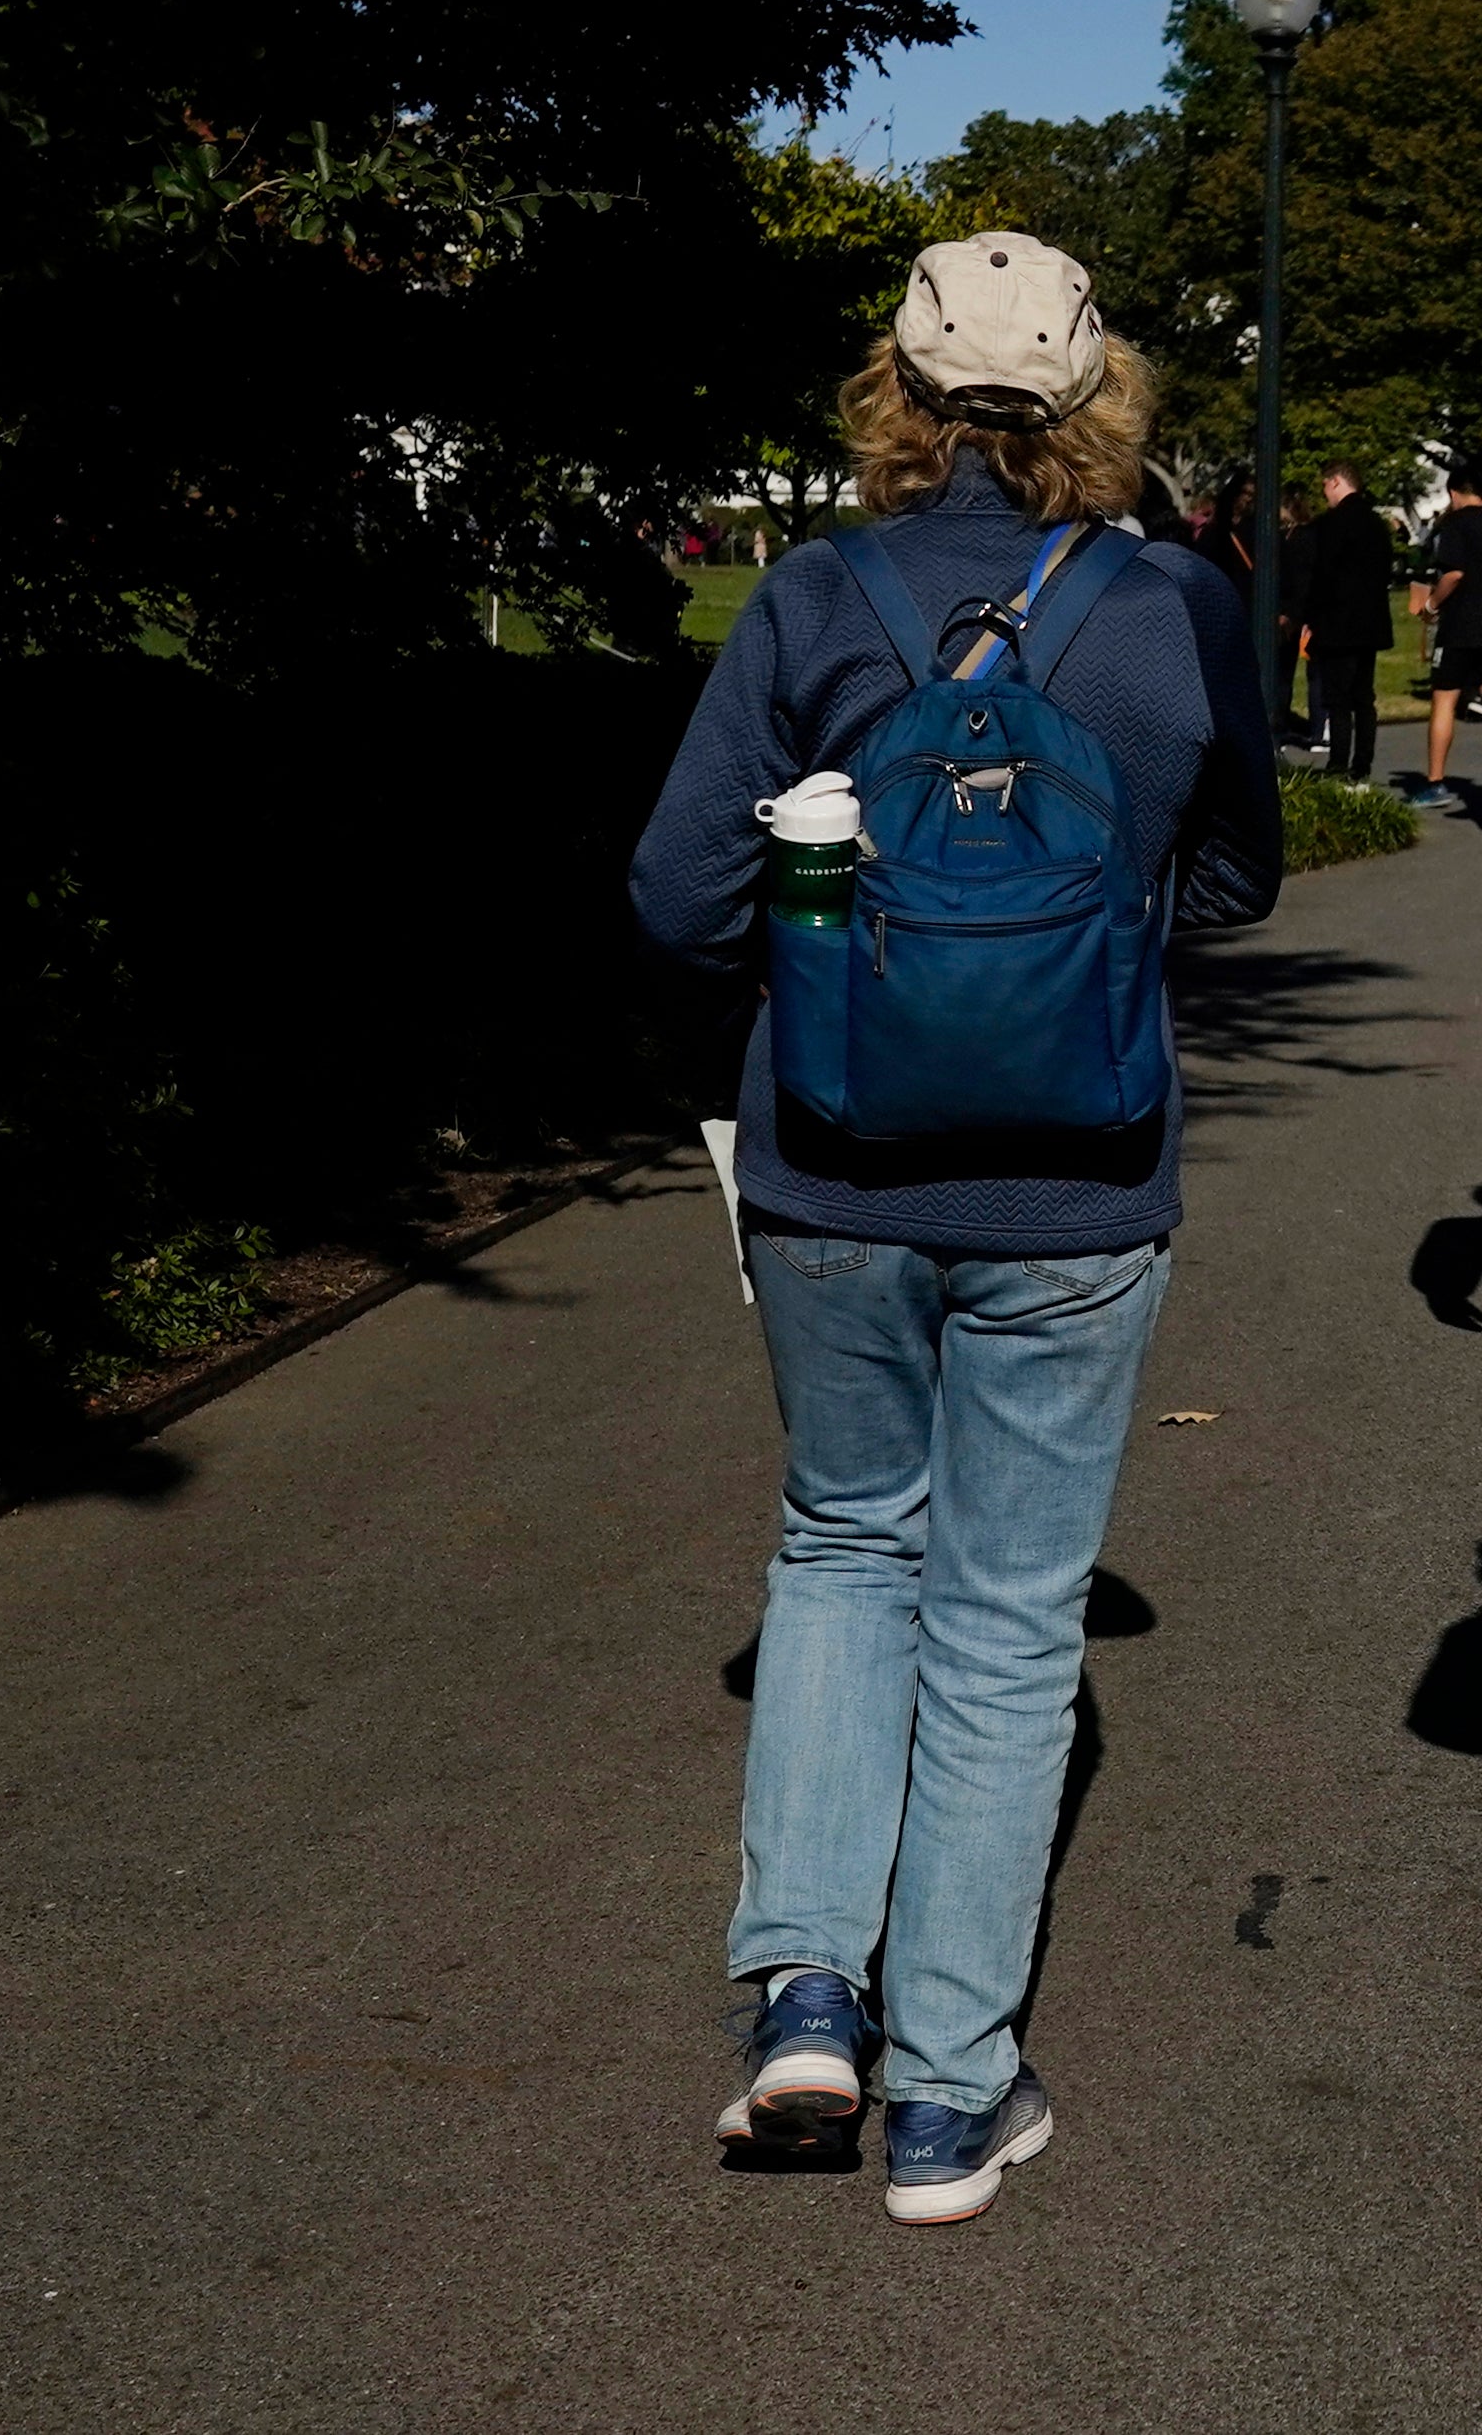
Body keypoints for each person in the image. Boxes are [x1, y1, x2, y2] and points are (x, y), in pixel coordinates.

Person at [626, 235, 1283, 2223]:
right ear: (1102, 398)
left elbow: (676, 895)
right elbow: (1237, 879)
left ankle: (805, 1997)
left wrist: (847, 950)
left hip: (830, 1165)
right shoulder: (1177, 605)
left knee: (842, 1545)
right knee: (1008, 1621)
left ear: (893, 395)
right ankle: (949, 2092)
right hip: (1079, 1178)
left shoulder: (813, 595)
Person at [1412, 462, 1482, 807]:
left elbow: (1453, 574)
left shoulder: (1454, 524)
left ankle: (1436, 780)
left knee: (1444, 697)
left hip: (1458, 624)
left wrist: (1431, 605)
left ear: (1453, 493)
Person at [1287, 466, 1394, 777]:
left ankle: (1338, 764)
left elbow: (1321, 576)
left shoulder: (1331, 525)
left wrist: (1309, 617)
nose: (1324, 493)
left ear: (1336, 482)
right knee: (1364, 697)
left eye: (1326, 485)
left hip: (1337, 622)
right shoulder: (1376, 523)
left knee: (1338, 699)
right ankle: (1362, 765)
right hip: (1370, 622)